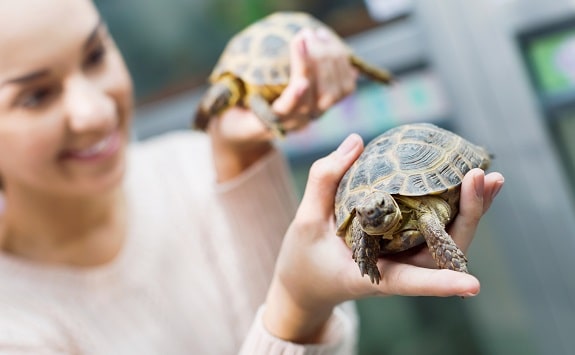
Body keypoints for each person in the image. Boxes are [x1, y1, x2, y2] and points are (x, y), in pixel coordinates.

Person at [0, 0, 504, 354]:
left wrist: (237, 157)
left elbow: (338, 341)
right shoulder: (13, 328)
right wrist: (296, 303)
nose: (95, 112)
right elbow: (299, 306)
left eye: (95, 55)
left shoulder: (195, 159)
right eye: (34, 95)